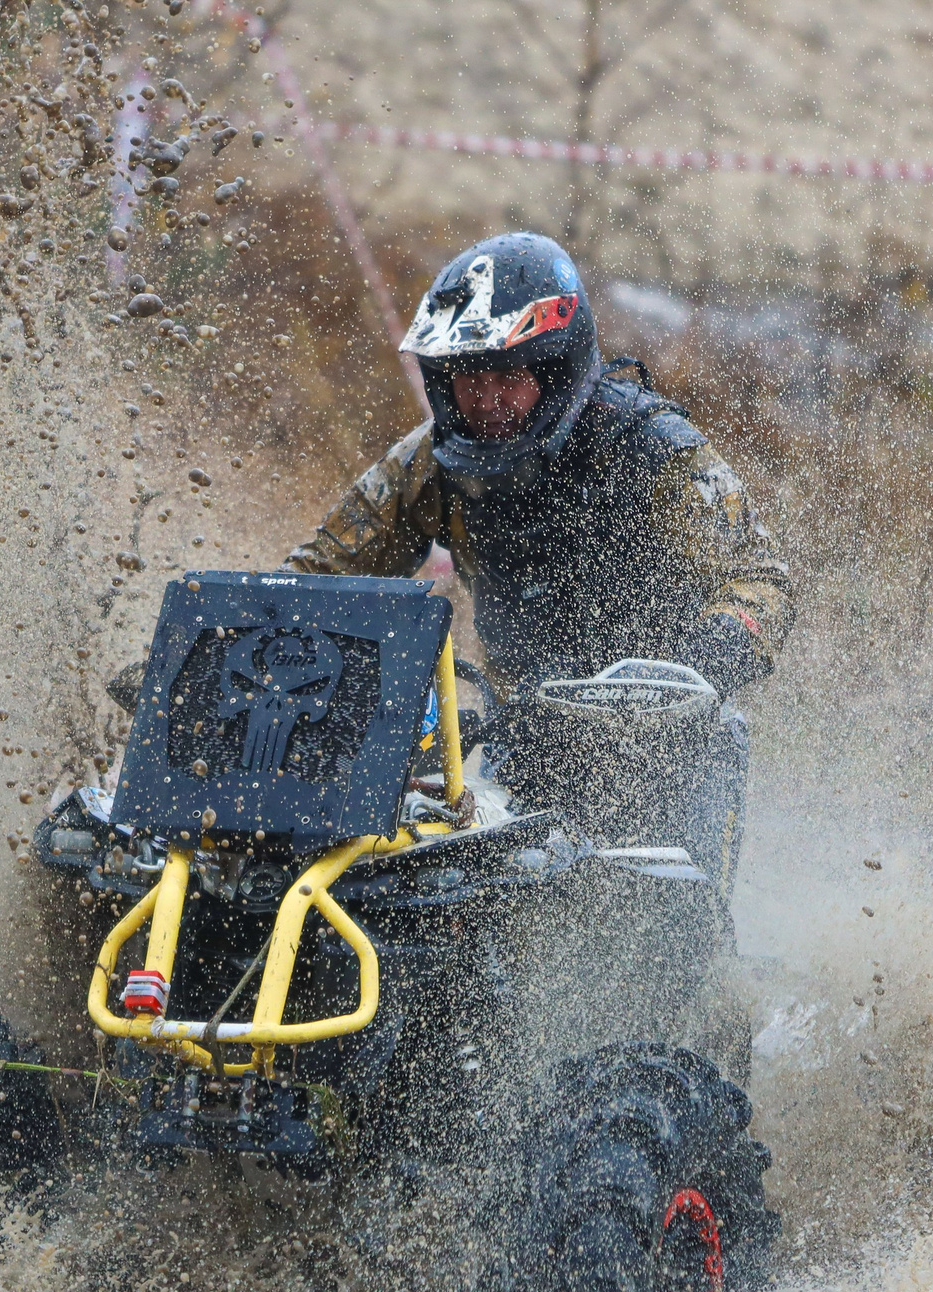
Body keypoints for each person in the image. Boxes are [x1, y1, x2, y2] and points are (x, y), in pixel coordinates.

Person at [282, 232, 793, 869]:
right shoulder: (431, 463)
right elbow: (313, 576)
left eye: (506, 376)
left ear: (556, 369)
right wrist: (239, 648)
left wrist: (704, 658)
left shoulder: (652, 448)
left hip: (667, 749)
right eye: (469, 378)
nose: (486, 399)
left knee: (649, 933)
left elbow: (760, 579)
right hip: (518, 741)